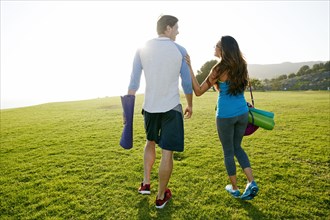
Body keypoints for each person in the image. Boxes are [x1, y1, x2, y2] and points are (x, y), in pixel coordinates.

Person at [127, 15, 193, 208]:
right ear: (168, 28)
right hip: (172, 107)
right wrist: (190, 104)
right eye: (177, 28)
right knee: (167, 153)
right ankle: (160, 196)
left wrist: (127, 109)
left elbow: (133, 82)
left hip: (150, 107)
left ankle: (146, 182)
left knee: (150, 142)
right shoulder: (180, 51)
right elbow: (187, 83)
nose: (178, 31)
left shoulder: (142, 49)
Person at [185, 36, 258, 200]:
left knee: (228, 152)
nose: (214, 47)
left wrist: (189, 67)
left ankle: (235, 188)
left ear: (223, 49)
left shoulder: (218, 69)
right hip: (242, 113)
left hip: (225, 115)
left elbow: (198, 90)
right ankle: (251, 182)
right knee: (237, 147)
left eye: (216, 45)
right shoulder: (242, 65)